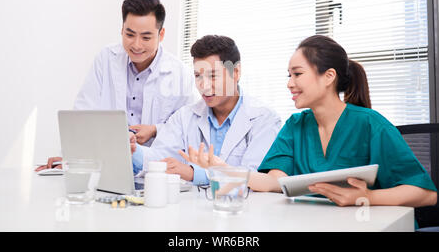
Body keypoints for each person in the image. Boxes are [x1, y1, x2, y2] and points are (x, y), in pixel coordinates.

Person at [181, 35, 437, 207]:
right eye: (289, 75)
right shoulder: (296, 125)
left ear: (328, 77)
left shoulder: (371, 125)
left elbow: (426, 194)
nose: (289, 83)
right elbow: (273, 182)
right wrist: (223, 168)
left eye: (298, 74)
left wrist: (368, 196)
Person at [36, 0, 196, 171]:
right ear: (122, 30)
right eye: (130, 34)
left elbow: (188, 129)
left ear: (161, 34)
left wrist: (155, 129)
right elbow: (83, 115)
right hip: (106, 165)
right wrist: (72, 159)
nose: (136, 45)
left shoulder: (179, 73)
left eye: (146, 37)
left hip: (155, 171)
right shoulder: (106, 59)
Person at [131, 35, 281, 184]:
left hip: (239, 207)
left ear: (235, 72)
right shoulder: (184, 116)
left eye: (213, 76)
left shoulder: (264, 119)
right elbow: (160, 159)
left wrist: (194, 174)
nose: (204, 85)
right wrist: (132, 150)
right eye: (198, 76)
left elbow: (255, 179)